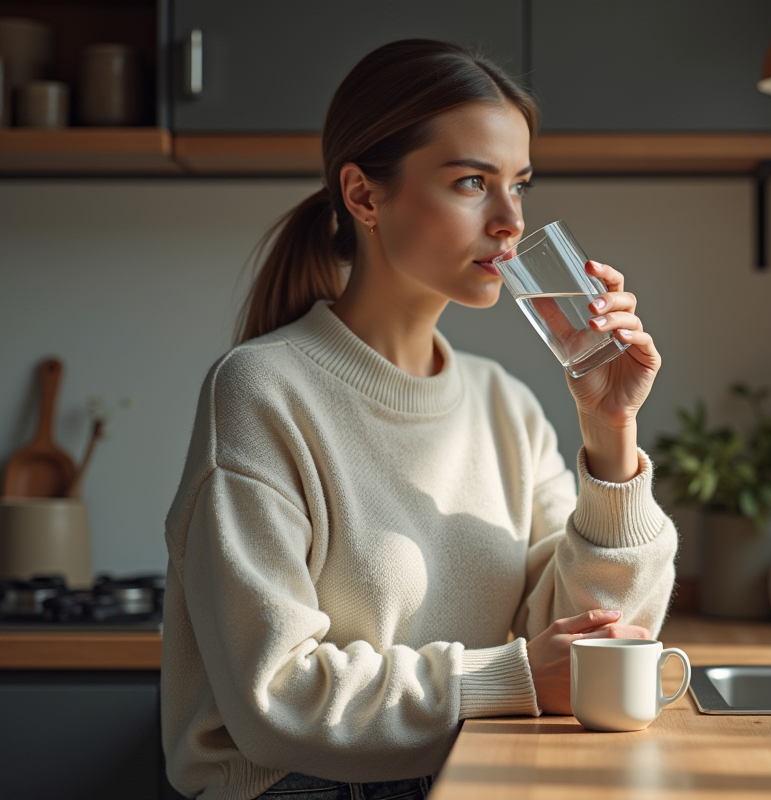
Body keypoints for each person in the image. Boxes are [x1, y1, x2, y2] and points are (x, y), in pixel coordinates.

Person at [159, 39, 678, 800]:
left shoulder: (507, 404)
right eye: (473, 182)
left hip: (466, 770)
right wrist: (514, 676)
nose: (509, 222)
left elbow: (596, 642)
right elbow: (279, 700)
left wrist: (610, 436)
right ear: (364, 197)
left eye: (520, 186)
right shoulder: (261, 391)